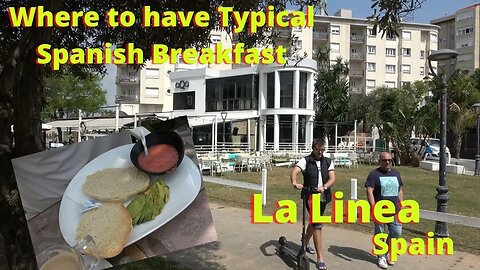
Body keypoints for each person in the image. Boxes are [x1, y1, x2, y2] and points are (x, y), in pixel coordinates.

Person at [290, 139, 335, 270]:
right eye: (318, 150)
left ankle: (304, 242)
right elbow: (294, 172)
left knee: (315, 222)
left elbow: (332, 178)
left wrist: (324, 187)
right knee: (317, 224)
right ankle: (320, 258)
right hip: (310, 195)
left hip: (323, 196)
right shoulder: (306, 160)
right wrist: (295, 183)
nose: (320, 152)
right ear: (313, 148)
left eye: (322, 150)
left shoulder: (328, 161)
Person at [365, 151, 404, 269]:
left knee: (397, 232)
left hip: (395, 210)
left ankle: (387, 251)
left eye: (389, 160)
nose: (387, 162)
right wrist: (373, 207)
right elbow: (369, 191)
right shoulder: (374, 174)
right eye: (384, 160)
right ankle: (381, 256)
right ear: (380, 161)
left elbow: (399, 190)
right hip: (380, 210)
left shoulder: (396, 173)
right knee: (380, 234)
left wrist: (401, 205)